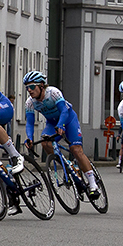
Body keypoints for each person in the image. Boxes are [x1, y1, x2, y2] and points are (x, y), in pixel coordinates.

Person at [22, 70, 100, 198]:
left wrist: (62, 124)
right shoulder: (30, 102)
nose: (29, 90)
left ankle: (93, 184)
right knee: (45, 143)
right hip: (52, 123)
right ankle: (67, 166)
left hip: (68, 120)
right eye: (27, 88)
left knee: (76, 149)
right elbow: (30, 123)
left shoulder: (53, 92)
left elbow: (64, 110)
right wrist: (29, 138)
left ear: (41, 85)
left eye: (31, 87)